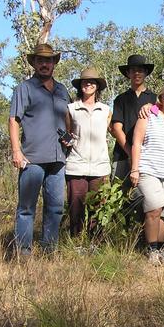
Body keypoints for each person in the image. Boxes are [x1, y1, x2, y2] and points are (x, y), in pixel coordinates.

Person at [9, 43, 70, 255]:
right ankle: (23, 253)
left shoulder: (62, 90)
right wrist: (16, 151)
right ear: (34, 63)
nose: (45, 64)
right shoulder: (24, 88)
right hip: (32, 158)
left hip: (58, 159)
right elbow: (14, 120)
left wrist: (69, 138)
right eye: (41, 60)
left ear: (54, 63)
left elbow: (66, 118)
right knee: (26, 209)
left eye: (49, 60)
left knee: (55, 208)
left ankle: (48, 251)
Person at [130, 83, 164, 265]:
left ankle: (160, 249)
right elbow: (137, 143)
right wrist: (135, 169)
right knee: (154, 208)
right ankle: (151, 251)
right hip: (148, 170)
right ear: (160, 98)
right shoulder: (148, 115)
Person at [64, 67, 112, 236]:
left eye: (92, 82)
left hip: (100, 167)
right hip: (76, 165)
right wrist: (67, 140)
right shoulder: (72, 109)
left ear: (97, 86)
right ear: (80, 85)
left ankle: (95, 243)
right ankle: (75, 243)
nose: (88, 84)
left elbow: (112, 131)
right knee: (75, 209)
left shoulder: (105, 110)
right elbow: (68, 134)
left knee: (97, 209)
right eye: (85, 81)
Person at [111, 55, 157, 189]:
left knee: (146, 200)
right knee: (119, 199)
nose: (137, 73)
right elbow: (117, 128)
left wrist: (139, 157)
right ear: (128, 73)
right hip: (122, 155)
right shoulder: (121, 99)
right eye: (133, 70)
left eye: (140, 70)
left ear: (146, 73)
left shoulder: (155, 99)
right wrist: (131, 153)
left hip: (148, 158)